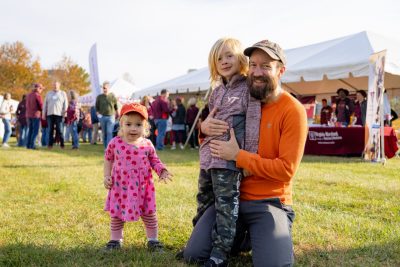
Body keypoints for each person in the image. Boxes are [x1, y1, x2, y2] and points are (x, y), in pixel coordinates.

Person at [182, 39, 308, 267]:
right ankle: (241, 236)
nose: (257, 72)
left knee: (272, 264)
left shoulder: (292, 110)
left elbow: (286, 170)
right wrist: (204, 128)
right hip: (230, 198)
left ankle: (258, 233)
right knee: (193, 254)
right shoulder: (238, 98)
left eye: (266, 66)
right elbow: (217, 133)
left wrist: (238, 156)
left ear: (281, 71)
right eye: (254, 65)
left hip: (268, 202)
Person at [190, 37, 261, 267]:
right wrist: (203, 126)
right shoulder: (216, 90)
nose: (224, 61)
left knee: (225, 207)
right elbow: (208, 122)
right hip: (208, 159)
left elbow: (253, 123)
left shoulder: (248, 88)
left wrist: (247, 159)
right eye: (219, 58)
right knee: (203, 202)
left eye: (229, 55)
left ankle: (220, 254)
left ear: (240, 58)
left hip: (227, 161)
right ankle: (198, 242)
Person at [102, 103, 172, 251]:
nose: (133, 128)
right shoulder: (115, 143)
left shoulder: (147, 144)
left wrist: (162, 171)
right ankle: (115, 240)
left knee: (149, 214)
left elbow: (155, 161)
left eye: (138, 124)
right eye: (128, 124)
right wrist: (106, 176)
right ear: (121, 124)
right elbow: (108, 159)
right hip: (120, 187)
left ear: (145, 127)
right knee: (117, 214)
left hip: (143, 188)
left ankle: (153, 240)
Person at [42, 81, 68, 149]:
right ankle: (50, 145)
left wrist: (65, 113)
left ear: (59, 85)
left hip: (59, 114)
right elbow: (45, 104)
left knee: (60, 130)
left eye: (56, 85)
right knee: (50, 130)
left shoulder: (63, 93)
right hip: (50, 114)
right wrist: (43, 114)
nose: (55, 86)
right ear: (52, 86)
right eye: (54, 85)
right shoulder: (48, 93)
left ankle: (62, 145)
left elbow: (66, 104)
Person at [95, 81, 118, 148]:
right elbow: (96, 107)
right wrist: (98, 115)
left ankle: (109, 148)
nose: (104, 89)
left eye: (105, 88)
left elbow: (116, 106)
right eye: (103, 88)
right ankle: (106, 148)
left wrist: (118, 114)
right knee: (104, 133)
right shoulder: (99, 97)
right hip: (102, 117)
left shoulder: (112, 96)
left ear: (109, 88)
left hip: (111, 117)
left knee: (109, 132)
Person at [26, 83, 44, 149]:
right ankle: (32, 145)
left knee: (30, 130)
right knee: (35, 131)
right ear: (38, 88)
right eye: (41, 89)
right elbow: (41, 106)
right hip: (36, 115)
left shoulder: (28, 95)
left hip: (28, 115)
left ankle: (28, 145)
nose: (41, 90)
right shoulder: (37, 95)